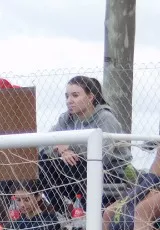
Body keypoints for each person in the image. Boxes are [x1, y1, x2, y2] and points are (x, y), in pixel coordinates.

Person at [38, 76, 131, 212]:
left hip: (112, 174)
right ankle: (63, 211)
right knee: (41, 161)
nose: (69, 101)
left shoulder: (105, 118)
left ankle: (88, 214)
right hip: (78, 169)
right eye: (67, 96)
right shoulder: (66, 118)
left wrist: (69, 146)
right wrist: (62, 150)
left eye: (75, 95)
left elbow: (102, 155)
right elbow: (43, 144)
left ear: (90, 97)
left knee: (79, 163)